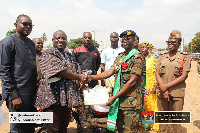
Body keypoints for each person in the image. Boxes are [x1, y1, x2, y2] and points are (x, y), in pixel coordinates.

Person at [88, 30, 144, 132]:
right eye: (123, 39)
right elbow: (109, 72)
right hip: (119, 102)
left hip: (131, 103)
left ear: (134, 40)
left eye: (128, 39)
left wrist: (114, 97)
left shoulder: (137, 58)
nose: (124, 41)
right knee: (119, 129)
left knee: (130, 130)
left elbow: (131, 82)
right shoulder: (121, 57)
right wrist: (92, 77)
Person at [34, 30, 87, 133]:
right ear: (53, 40)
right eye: (58, 38)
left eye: (63, 38)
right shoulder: (49, 54)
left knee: (64, 125)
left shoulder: (69, 54)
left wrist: (83, 82)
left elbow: (76, 68)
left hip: (66, 97)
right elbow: (61, 72)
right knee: (53, 128)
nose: (61, 40)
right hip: (51, 97)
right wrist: (79, 77)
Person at [0, 14, 37, 133]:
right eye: (24, 24)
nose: (27, 27)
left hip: (31, 93)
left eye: (30, 25)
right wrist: (14, 95)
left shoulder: (30, 43)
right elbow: (4, 70)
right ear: (16, 25)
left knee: (29, 125)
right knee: (18, 128)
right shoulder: (7, 42)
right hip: (17, 93)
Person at [156, 30, 190, 133]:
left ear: (179, 44)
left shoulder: (184, 57)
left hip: (176, 93)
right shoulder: (162, 56)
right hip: (161, 92)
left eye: (173, 42)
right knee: (162, 120)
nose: (170, 44)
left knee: (176, 121)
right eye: (168, 42)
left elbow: (184, 75)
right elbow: (157, 73)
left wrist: (167, 86)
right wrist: (163, 87)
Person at [140, 41, 159, 132]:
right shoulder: (140, 59)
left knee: (150, 103)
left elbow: (157, 74)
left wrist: (155, 86)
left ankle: (150, 124)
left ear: (149, 49)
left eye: (144, 47)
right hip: (142, 84)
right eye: (141, 47)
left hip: (151, 85)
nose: (142, 49)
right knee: (144, 104)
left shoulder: (153, 59)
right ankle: (144, 123)